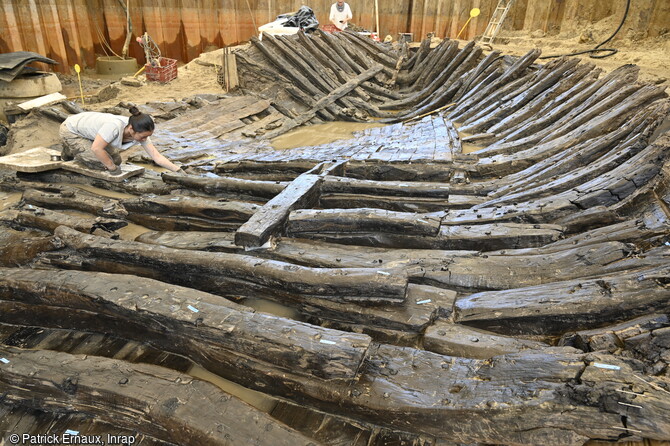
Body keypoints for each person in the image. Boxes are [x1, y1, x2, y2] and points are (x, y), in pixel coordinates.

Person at [59, 106, 182, 174]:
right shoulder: (113, 127)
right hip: (72, 129)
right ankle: (71, 149)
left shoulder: (139, 131)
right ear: (131, 129)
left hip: (93, 133)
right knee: (99, 163)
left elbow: (157, 157)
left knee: (116, 160)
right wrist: (112, 169)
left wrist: (178, 170)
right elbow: (96, 148)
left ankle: (76, 148)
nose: (145, 139)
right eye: (143, 136)